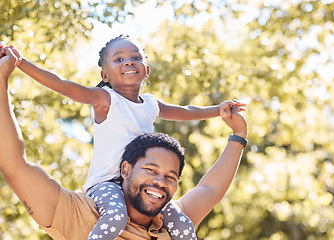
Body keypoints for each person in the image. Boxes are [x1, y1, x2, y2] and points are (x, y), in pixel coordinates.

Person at [8, 35, 245, 240]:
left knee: (182, 224)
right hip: (107, 184)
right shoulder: (106, 99)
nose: (129, 61)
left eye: (136, 57)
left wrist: (217, 110)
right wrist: (21, 62)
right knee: (116, 216)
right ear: (105, 75)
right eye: (119, 59)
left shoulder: (150, 104)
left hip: (137, 183)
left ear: (146, 70)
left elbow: (185, 111)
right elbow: (63, 85)